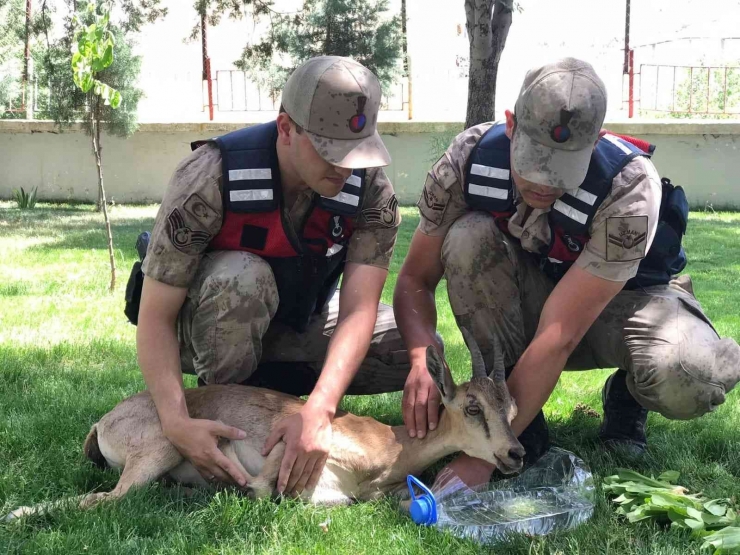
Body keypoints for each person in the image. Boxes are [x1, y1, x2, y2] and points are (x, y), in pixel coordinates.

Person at [393, 57, 740, 487]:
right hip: (537, 296)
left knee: (690, 378)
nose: (544, 182)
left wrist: (483, 461)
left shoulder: (629, 187)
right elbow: (414, 280)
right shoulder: (468, 159)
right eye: (534, 161)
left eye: (562, 168)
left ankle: (628, 395)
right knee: (467, 238)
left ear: (596, 140)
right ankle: (522, 426)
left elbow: (560, 333)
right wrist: (419, 359)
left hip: (627, 305)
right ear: (511, 124)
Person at [133, 56, 410, 498]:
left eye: (355, 151)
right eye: (329, 150)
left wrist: (320, 409)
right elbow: (155, 318)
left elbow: (359, 309)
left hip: (301, 318)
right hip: (210, 325)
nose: (344, 167)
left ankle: (284, 396)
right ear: (285, 127)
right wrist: (174, 420)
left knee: (411, 346)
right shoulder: (209, 177)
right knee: (243, 277)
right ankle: (229, 407)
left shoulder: (371, 191)